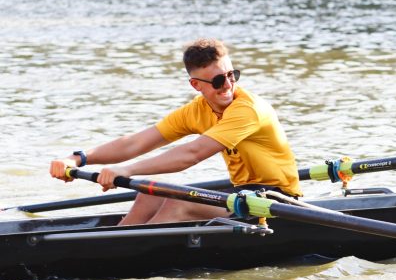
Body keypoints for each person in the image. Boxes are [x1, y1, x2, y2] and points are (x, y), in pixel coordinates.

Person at [49, 38, 302, 224]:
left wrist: (126, 170)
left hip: (277, 202)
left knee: (178, 201)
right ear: (195, 85)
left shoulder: (248, 109)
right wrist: (79, 158)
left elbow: (191, 154)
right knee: (149, 192)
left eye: (231, 75)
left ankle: (121, 259)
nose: (228, 85)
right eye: (217, 81)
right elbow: (135, 143)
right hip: (242, 194)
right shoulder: (196, 111)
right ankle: (104, 251)